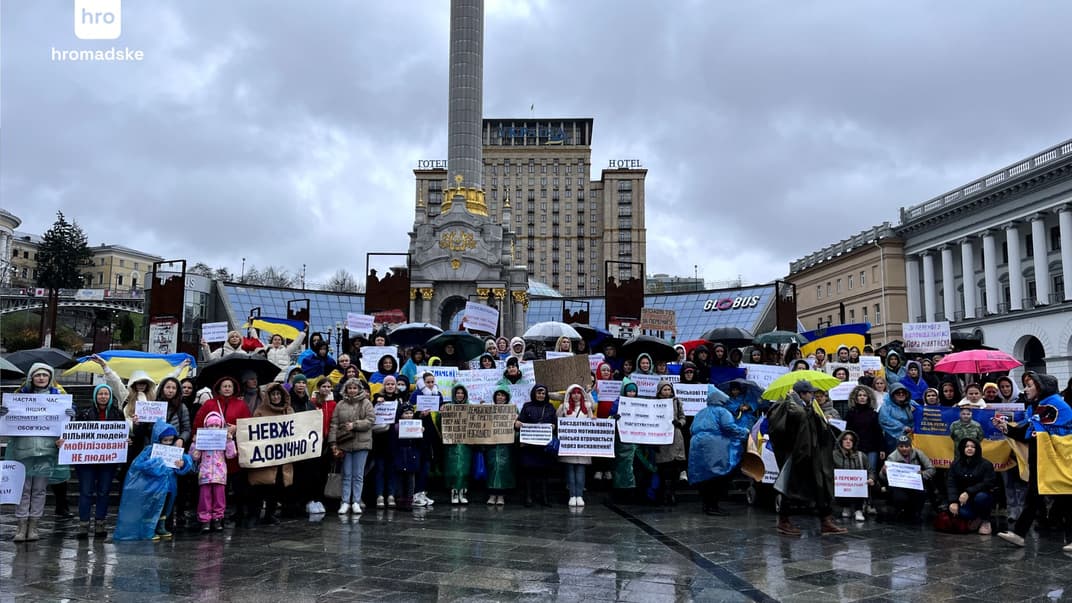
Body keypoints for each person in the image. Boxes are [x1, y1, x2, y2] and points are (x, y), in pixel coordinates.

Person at [996, 371, 1072, 551]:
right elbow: (1028, 434)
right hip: (1041, 460)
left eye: (1030, 385)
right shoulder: (1036, 407)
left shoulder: (1055, 406)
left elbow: (1037, 432)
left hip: (1058, 460)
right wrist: (1005, 428)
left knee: (1067, 498)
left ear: (1041, 387)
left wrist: (1013, 429)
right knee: (1035, 496)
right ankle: (1019, 534)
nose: (1026, 389)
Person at [3, 364, 75, 542]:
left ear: (50, 378)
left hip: (46, 451)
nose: (41, 378)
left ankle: (34, 525)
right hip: (23, 450)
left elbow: (65, 427)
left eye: (45, 375)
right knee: (24, 490)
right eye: (38, 375)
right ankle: (21, 526)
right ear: (31, 378)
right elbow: (7, 424)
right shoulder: (19, 397)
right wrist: (3, 414)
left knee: (39, 490)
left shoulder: (58, 398)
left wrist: (70, 416)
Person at [767, 380, 846, 536]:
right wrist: (800, 408)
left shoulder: (809, 406)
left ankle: (826, 520)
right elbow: (783, 426)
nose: (813, 395)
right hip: (796, 453)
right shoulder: (788, 405)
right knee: (790, 487)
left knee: (820, 486)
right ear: (802, 393)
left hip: (813, 452)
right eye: (810, 392)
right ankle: (784, 521)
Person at [113, 420, 194, 541]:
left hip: (169, 486)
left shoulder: (174, 451)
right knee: (152, 507)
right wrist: (154, 465)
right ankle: (148, 529)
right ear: (158, 439)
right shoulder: (150, 450)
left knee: (165, 507)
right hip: (154, 487)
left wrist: (182, 464)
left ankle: (160, 527)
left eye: (170, 440)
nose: (167, 443)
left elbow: (187, 463)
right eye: (165, 440)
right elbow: (139, 465)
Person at [193, 377, 252, 526]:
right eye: (224, 386)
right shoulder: (210, 404)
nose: (227, 388)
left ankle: (231, 513)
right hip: (210, 455)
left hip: (232, 449)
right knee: (210, 489)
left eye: (229, 386)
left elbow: (248, 424)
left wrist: (236, 428)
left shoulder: (241, 405)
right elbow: (199, 423)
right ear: (218, 388)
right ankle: (208, 516)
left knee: (235, 484)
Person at [73, 383, 128, 539]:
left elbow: (122, 434)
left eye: (106, 394)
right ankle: (83, 523)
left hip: (108, 461)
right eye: (100, 394)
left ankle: (100, 523)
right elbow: (74, 434)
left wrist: (126, 440)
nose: (103, 397)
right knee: (86, 491)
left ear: (110, 397)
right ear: (95, 396)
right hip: (86, 461)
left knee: (104, 492)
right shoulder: (84, 414)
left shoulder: (117, 414)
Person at [688, 386, 749, 516]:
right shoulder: (723, 412)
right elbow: (728, 427)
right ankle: (713, 506)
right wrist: (744, 432)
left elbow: (691, 428)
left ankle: (706, 504)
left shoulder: (701, 412)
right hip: (715, 445)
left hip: (697, 445)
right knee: (718, 475)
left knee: (704, 476)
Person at [248, 384, 295, 526]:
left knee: (276, 487)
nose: (276, 397)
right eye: (273, 394)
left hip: (282, 457)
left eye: (278, 394)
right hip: (265, 457)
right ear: (268, 396)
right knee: (260, 487)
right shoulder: (260, 411)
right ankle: (254, 515)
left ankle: (270, 514)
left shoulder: (289, 411)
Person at [329, 378, 374, 515]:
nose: (352, 390)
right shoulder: (340, 404)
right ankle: (345, 502)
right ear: (346, 389)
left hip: (362, 443)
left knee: (358, 475)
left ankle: (356, 501)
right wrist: (333, 443)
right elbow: (334, 424)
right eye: (350, 388)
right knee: (346, 474)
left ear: (359, 389)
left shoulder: (366, 403)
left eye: (355, 388)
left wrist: (355, 425)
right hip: (345, 444)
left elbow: (370, 420)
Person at [189, 411, 235, 532]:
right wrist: (195, 443)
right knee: (204, 498)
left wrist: (230, 441)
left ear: (220, 427)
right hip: (205, 473)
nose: (213, 428)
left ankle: (217, 519)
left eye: (216, 426)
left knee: (220, 498)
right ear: (206, 427)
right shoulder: (203, 439)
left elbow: (231, 455)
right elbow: (194, 457)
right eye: (211, 426)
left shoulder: (223, 439)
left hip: (220, 474)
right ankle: (205, 521)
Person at [516, 384, 557, 507]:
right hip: (530, 446)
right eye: (539, 393)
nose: (541, 395)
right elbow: (520, 420)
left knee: (544, 473)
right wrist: (517, 423)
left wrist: (554, 426)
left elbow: (555, 422)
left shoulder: (549, 407)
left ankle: (545, 498)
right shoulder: (527, 406)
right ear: (534, 393)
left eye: (543, 393)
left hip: (544, 446)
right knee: (529, 472)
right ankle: (529, 497)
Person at [946, 437, 996, 535]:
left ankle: (985, 520)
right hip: (963, 499)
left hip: (981, 496)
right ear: (962, 448)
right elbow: (951, 483)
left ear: (977, 449)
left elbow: (988, 483)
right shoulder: (955, 464)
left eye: (973, 447)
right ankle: (976, 518)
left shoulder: (986, 464)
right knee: (962, 513)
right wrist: (953, 501)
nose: (969, 449)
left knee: (981, 497)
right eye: (967, 446)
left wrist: (968, 492)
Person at [557, 384, 596, 507]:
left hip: (583, 446)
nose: (576, 395)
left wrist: (593, 420)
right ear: (569, 394)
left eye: (578, 393)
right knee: (570, 471)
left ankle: (579, 495)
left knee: (580, 471)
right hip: (568, 445)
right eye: (573, 393)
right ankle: (572, 495)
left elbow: (592, 421)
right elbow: (557, 421)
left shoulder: (587, 408)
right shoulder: (564, 407)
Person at [880, 435, 935, 522]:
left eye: (907, 446)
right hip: (899, 486)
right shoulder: (892, 457)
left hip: (915, 485)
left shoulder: (918, 454)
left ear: (910, 446)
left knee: (921, 494)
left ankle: (914, 512)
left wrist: (922, 474)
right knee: (900, 497)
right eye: (901, 446)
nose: (904, 449)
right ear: (897, 447)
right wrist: (883, 472)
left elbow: (932, 469)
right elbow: (883, 478)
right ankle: (899, 511)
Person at [408, 372, 442, 508]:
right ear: (423, 383)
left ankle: (422, 492)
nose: (431, 384)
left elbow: (439, 411)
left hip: (431, 435)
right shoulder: (416, 394)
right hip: (418, 435)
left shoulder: (437, 395)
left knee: (427, 465)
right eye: (428, 382)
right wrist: (420, 414)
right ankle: (415, 493)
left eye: (432, 382)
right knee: (419, 464)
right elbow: (408, 413)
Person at [832, 431, 874, 522]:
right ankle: (846, 507)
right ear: (841, 441)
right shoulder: (834, 455)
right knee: (843, 485)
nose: (848, 441)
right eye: (845, 439)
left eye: (851, 440)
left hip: (858, 489)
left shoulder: (861, 455)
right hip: (840, 487)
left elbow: (870, 470)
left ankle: (858, 510)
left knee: (862, 483)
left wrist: (871, 478)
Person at [485, 386, 517, 506]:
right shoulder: (488, 409)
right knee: (492, 469)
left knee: (503, 470)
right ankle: (492, 494)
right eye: (498, 395)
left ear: (507, 397)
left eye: (503, 395)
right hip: (491, 446)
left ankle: (501, 496)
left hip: (506, 446)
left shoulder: (513, 410)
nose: (500, 397)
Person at [443, 384, 474, 505]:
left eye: (462, 393)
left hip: (466, 444)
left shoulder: (470, 407)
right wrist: (443, 413)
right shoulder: (449, 407)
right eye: (457, 393)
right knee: (453, 468)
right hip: (452, 445)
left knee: (464, 469)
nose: (460, 395)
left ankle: (463, 491)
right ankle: (454, 491)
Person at [390, 402, 423, 509]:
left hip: (412, 454)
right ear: (401, 415)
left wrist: (421, 432)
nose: (409, 415)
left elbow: (419, 443)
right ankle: (400, 499)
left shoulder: (417, 425)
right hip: (400, 454)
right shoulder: (396, 427)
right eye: (406, 413)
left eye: (410, 413)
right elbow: (393, 442)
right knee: (399, 478)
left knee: (410, 479)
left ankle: (409, 500)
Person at [878, 384, 917, 452]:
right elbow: (884, 419)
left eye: (903, 392)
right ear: (892, 394)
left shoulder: (911, 403)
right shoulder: (887, 405)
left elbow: (922, 414)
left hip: (912, 436)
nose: (901, 394)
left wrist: (916, 412)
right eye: (898, 393)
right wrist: (902, 427)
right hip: (893, 438)